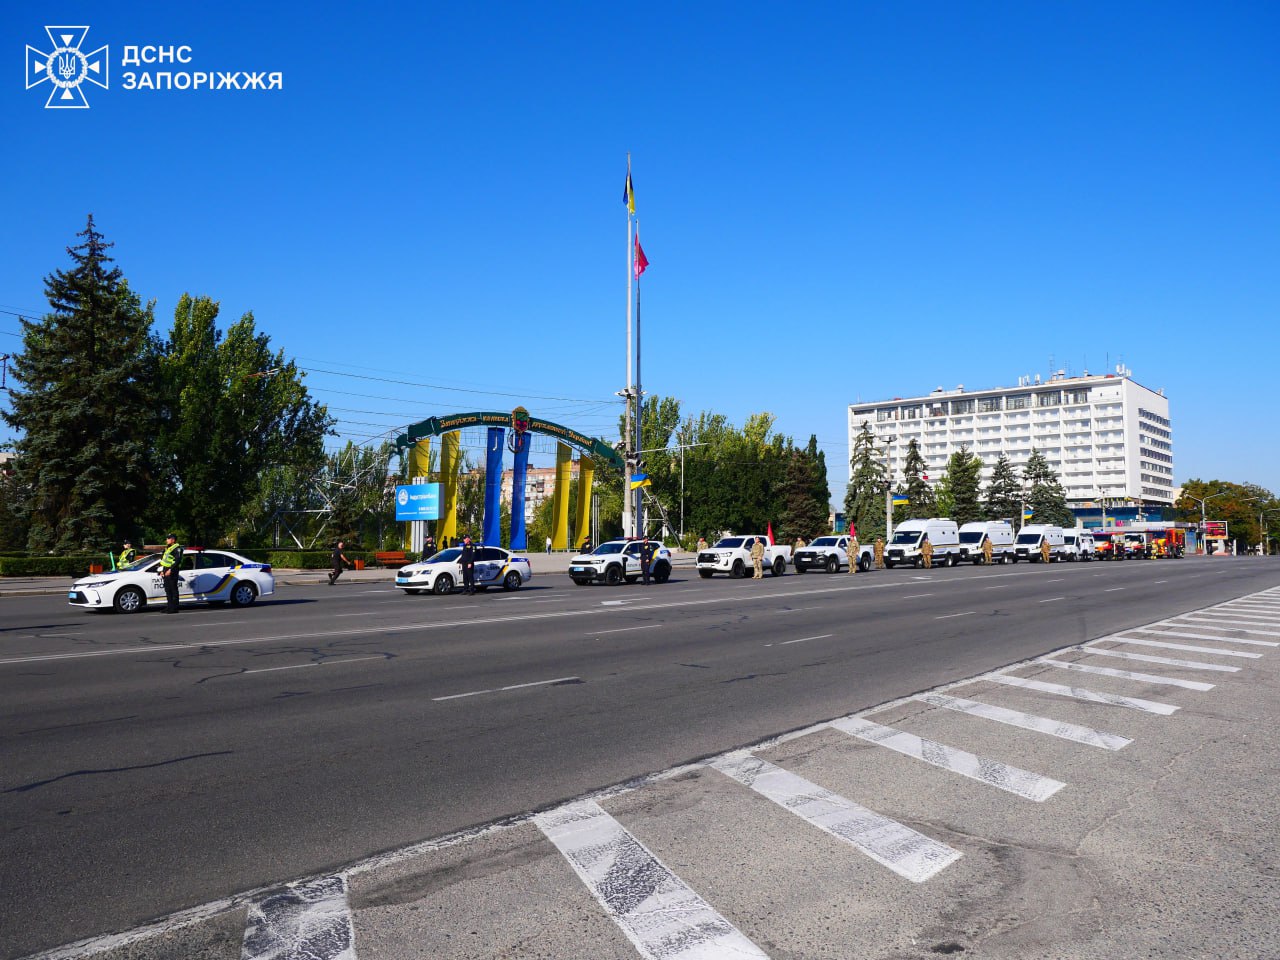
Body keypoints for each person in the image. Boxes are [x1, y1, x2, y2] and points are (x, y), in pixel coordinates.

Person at [159, 533, 183, 613]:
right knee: (168, 589)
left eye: (168, 538)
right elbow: (164, 561)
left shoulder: (177, 548)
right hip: (166, 570)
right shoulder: (168, 548)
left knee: (173, 589)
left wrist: (170, 570)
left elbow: (177, 561)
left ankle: (174, 608)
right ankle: (169, 606)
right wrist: (162, 570)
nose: (167, 540)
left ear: (173, 540)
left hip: (172, 570)